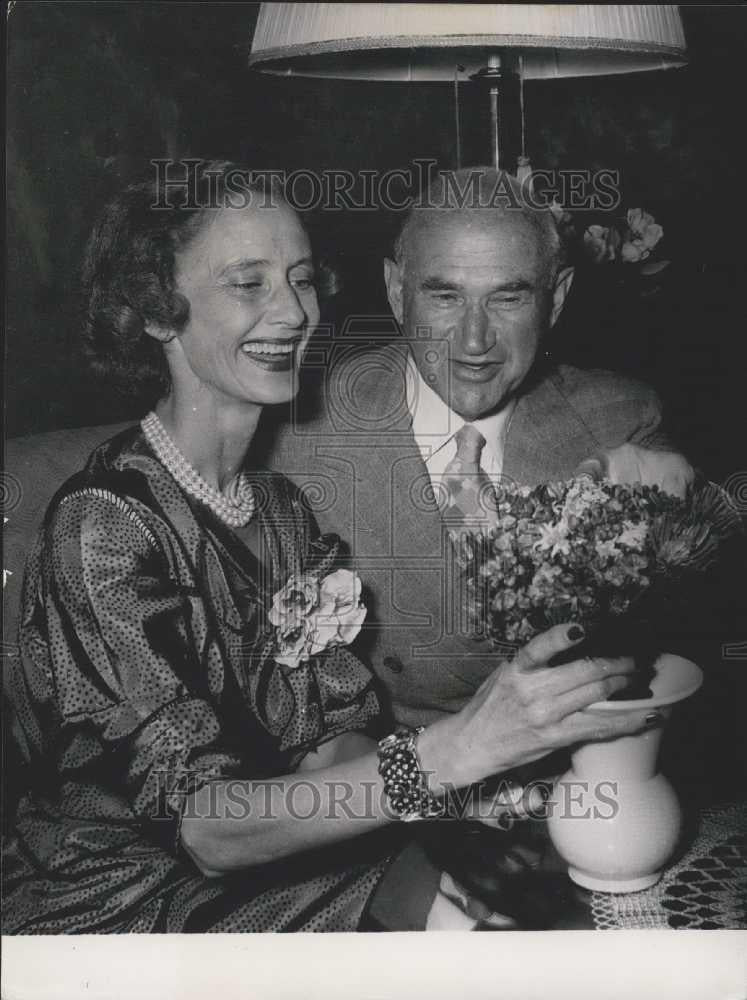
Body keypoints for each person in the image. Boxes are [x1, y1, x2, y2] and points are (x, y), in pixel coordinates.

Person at [2, 161, 656, 934]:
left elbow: (328, 743)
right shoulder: (104, 525)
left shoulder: (277, 508)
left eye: (302, 280)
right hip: (117, 913)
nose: (291, 313)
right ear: (155, 312)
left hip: (277, 871)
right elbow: (206, 829)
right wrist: (455, 752)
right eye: (249, 284)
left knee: (536, 930)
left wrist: (441, 817)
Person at [262, 167, 694, 728]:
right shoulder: (297, 436)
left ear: (556, 298)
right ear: (397, 292)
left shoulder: (622, 421)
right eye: (445, 296)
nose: (474, 341)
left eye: (508, 297)